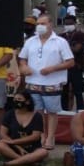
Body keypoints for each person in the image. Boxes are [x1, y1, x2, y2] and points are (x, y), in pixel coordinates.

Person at [18, 14, 74, 150]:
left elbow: (70, 62)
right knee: (37, 111)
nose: (40, 26)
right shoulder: (31, 41)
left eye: (43, 23)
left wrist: (53, 68)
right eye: (38, 24)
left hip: (52, 84)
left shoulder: (60, 42)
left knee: (52, 112)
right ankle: (41, 136)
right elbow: (22, 59)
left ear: (50, 24)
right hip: (33, 82)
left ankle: (51, 137)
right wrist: (24, 67)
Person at [0, 91, 48, 166]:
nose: (16, 101)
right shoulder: (9, 114)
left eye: (19, 99)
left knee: (43, 152)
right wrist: (17, 146)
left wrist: (14, 142)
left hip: (32, 148)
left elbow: (35, 137)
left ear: (27, 102)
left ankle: (9, 163)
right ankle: (28, 162)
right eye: (15, 99)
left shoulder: (37, 116)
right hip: (13, 147)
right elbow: (3, 133)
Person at [60, 15, 84, 111]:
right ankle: (63, 110)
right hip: (64, 68)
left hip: (76, 67)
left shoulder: (80, 34)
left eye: (70, 23)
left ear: (74, 23)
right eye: (66, 24)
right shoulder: (61, 36)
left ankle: (80, 110)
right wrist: (70, 46)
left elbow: (77, 49)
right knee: (63, 91)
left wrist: (64, 46)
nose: (68, 25)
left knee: (78, 91)